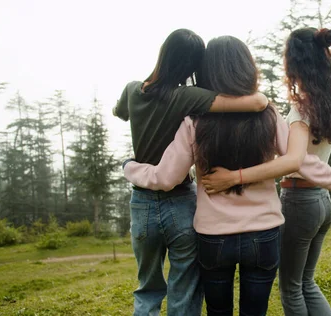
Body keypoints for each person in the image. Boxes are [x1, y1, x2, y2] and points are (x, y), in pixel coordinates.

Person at [123, 35, 331, 316]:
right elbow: (305, 163)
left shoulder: (195, 121)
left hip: (214, 236)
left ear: (206, 71)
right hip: (262, 234)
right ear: (247, 67)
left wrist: (130, 168)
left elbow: (165, 178)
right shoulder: (267, 115)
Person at [200, 27, 331, 316]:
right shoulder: (328, 103)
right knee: (307, 282)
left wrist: (234, 177)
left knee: (292, 288)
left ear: (293, 62)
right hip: (321, 201)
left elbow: (296, 161)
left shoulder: (300, 111)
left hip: (301, 201)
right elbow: (312, 162)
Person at [113, 28, 269, 316]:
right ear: (194, 65)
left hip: (142, 202)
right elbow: (257, 102)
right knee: (184, 284)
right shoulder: (189, 97)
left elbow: (119, 113)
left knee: (146, 287)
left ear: (164, 53)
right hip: (179, 201)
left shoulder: (132, 89)